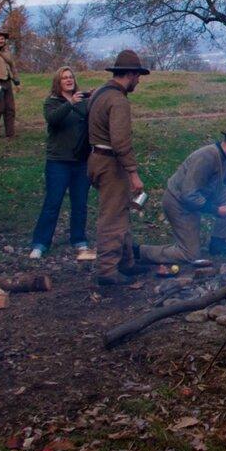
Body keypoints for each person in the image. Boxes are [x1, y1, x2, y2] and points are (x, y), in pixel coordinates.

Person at [136, 122, 226, 269]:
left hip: (196, 200)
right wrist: (216, 210)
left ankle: (218, 242)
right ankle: (139, 252)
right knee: (190, 254)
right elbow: (188, 195)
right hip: (179, 204)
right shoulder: (207, 156)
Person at [88, 50, 150, 286]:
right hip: (110, 163)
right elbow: (120, 141)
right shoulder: (118, 101)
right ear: (131, 74)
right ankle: (107, 270)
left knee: (121, 212)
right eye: (138, 76)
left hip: (96, 159)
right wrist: (133, 173)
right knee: (112, 217)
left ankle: (126, 262)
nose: (138, 81)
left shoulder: (99, 93)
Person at [29, 67, 95, 261]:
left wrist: (92, 99)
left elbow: (91, 121)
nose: (68, 80)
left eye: (71, 77)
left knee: (80, 203)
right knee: (53, 202)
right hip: (58, 161)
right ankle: (40, 243)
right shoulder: (52, 102)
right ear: (58, 83)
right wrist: (70, 103)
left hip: (81, 161)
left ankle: (79, 239)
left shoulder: (83, 102)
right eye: (64, 78)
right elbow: (53, 119)